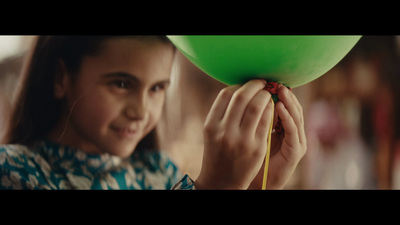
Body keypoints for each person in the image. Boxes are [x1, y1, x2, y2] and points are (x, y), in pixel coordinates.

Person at [0, 35, 306, 190]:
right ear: (60, 78)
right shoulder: (13, 171)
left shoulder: (161, 173)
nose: (141, 110)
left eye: (158, 88)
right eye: (121, 84)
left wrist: (251, 186)